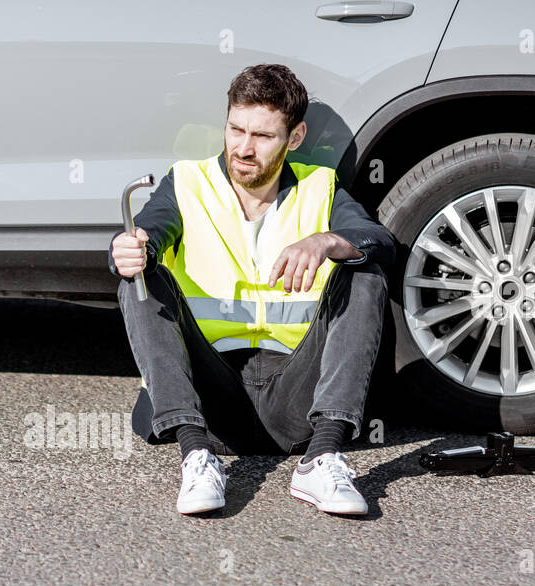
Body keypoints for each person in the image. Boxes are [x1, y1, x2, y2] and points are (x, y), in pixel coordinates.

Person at [110, 63, 397, 517]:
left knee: (364, 270)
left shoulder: (319, 187)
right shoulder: (187, 182)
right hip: (212, 402)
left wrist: (328, 241)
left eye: (262, 136)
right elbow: (148, 232)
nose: (243, 147)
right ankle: (195, 457)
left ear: (295, 137)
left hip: (298, 399)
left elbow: (379, 241)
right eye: (236, 129)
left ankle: (322, 458)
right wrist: (127, 251)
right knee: (140, 276)